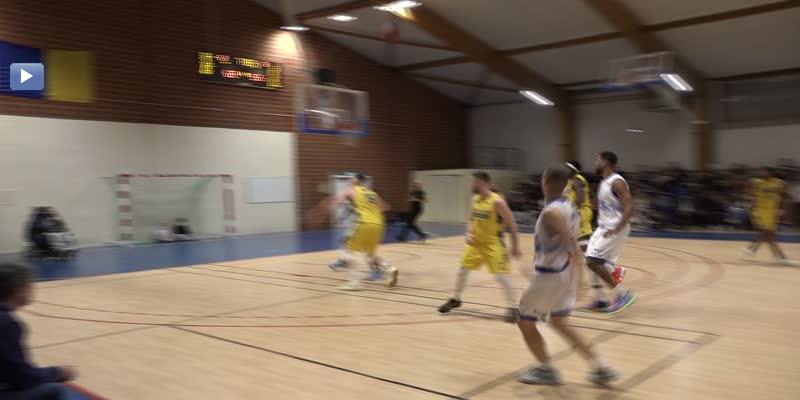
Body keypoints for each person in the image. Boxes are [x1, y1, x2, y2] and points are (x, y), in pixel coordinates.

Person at [516, 166, 618, 386]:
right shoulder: (571, 208)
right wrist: (575, 279)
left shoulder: (552, 212)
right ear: (565, 186)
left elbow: (571, 243)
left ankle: (546, 370)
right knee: (560, 322)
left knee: (525, 321)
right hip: (563, 275)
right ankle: (599, 367)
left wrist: (581, 280)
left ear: (544, 182)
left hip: (549, 276)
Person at [438, 172, 521, 322]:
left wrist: (515, 246)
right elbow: (470, 219)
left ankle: (513, 308)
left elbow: (512, 224)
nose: (472, 184)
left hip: (493, 243)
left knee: (501, 276)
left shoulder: (497, 202)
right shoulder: (475, 199)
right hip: (476, 244)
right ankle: (455, 299)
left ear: (482, 182)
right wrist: (469, 233)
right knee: (462, 270)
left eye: (474, 182)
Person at [0, 263, 77, 399]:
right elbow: (22, 377)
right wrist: (57, 372)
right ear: (19, 290)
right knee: (54, 390)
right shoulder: (6, 323)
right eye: (31, 285)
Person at [316, 174, 398, 290]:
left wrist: (323, 210)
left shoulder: (352, 190)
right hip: (379, 224)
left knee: (348, 250)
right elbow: (385, 207)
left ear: (356, 180)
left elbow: (336, 201)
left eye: (351, 179)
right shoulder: (372, 193)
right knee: (370, 254)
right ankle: (389, 268)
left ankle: (354, 282)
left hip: (364, 223)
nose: (350, 181)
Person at [584, 152, 636, 313]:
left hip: (614, 227)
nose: (595, 162)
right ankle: (601, 298)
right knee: (590, 260)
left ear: (605, 162)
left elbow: (630, 207)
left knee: (593, 261)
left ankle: (621, 295)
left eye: (597, 160)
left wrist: (617, 228)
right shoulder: (604, 182)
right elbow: (602, 207)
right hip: (603, 227)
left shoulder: (617, 182)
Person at [741, 168, 798, 265]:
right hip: (760, 211)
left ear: (771, 173)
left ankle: (752, 249)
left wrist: (784, 205)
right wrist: (750, 194)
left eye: (765, 172)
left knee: (769, 236)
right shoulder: (758, 182)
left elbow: (785, 192)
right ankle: (781, 257)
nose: (763, 173)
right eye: (762, 172)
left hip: (772, 213)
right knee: (767, 234)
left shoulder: (778, 182)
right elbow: (748, 184)